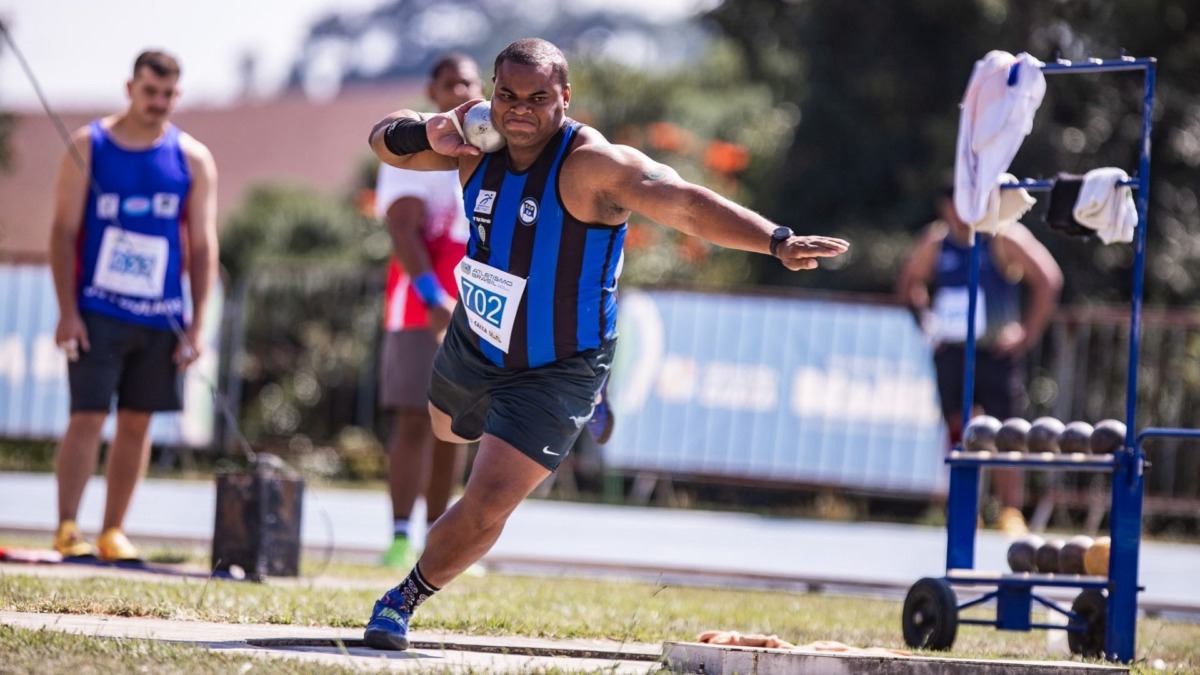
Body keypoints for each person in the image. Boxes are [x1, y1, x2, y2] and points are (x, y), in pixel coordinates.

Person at [359, 37, 849, 651]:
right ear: (493, 91)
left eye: (538, 98)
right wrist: (425, 130)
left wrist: (776, 240)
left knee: (487, 501)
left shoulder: (592, 165)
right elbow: (383, 144)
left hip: (559, 363)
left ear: (565, 97)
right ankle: (556, 413)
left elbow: (687, 206)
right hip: (477, 338)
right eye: (508, 96)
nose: (520, 111)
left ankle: (400, 600)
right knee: (444, 430)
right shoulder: (475, 138)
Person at [47, 50, 218, 561]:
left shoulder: (192, 158)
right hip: (97, 311)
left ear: (177, 95)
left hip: (161, 316)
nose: (158, 103)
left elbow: (203, 246)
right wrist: (67, 310)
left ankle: (113, 531)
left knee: (138, 421)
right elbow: (62, 232)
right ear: (130, 88)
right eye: (149, 92)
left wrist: (197, 326)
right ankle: (67, 527)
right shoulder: (89, 145)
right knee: (87, 415)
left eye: (167, 94)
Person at [896, 183, 1062, 536]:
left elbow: (1048, 279)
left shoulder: (1004, 237)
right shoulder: (936, 242)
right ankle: (965, 508)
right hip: (954, 351)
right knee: (959, 430)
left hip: (995, 352)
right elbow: (910, 282)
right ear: (945, 206)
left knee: (1007, 433)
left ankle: (1010, 511)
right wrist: (926, 322)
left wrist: (1026, 333)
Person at [375, 53, 480, 570]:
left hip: (474, 310)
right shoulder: (415, 148)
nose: (460, 91)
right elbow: (402, 228)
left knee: (457, 426)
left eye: (469, 82)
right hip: (421, 309)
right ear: (432, 91)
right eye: (450, 83)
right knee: (415, 421)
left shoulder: (491, 149)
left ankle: (440, 541)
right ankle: (399, 537)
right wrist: (432, 296)